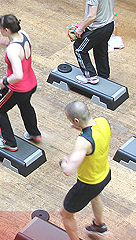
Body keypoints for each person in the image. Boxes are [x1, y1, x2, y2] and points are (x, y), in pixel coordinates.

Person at [59, 101, 111, 239]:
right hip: (104, 175)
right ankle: (99, 225)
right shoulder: (102, 122)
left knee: (65, 214)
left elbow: (68, 170)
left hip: (88, 184)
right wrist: (80, 128)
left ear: (76, 120)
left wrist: (64, 162)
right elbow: (93, 134)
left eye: (69, 119)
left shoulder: (83, 142)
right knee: (95, 196)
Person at [0, 14, 41, 151]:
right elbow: (20, 52)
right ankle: (34, 133)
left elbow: (18, 75)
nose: (0, 31)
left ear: (6, 30)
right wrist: (6, 43)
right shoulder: (24, 34)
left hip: (18, 88)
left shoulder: (12, 49)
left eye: (0, 28)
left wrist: (5, 81)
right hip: (31, 83)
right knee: (25, 105)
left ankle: (9, 143)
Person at [72, 0, 114, 84]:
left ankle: (90, 76)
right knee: (101, 50)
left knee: (79, 48)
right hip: (109, 25)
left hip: (98, 28)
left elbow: (92, 16)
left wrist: (80, 28)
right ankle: (104, 75)